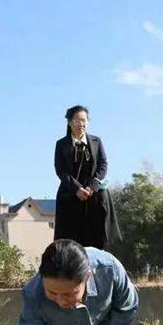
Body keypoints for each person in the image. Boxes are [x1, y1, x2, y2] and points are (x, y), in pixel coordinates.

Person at [53, 105, 121, 249]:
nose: (81, 124)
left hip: (92, 192)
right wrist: (77, 189)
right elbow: (61, 171)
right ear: (69, 122)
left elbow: (103, 165)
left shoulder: (97, 141)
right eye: (77, 120)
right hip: (71, 192)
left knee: (102, 203)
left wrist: (92, 186)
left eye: (84, 120)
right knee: (70, 241)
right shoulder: (61, 144)